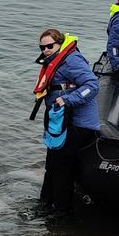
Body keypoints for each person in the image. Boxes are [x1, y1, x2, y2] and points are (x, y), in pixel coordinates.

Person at [33, 29, 101, 213]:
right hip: (60, 120)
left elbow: (92, 85)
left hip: (78, 123)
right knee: (52, 163)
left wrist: (68, 99)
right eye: (42, 47)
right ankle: (45, 203)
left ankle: (62, 210)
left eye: (49, 46)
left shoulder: (71, 60)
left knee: (62, 165)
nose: (46, 50)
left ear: (60, 44)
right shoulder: (55, 60)